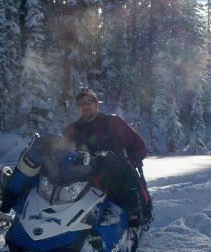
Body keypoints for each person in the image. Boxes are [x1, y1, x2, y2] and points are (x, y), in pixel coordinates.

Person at [63, 87, 153, 227]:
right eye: (81, 103)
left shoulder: (113, 123)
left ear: (96, 103)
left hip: (114, 178)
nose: (85, 106)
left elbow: (139, 146)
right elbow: (63, 154)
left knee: (114, 163)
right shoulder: (71, 130)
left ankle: (131, 213)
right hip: (82, 180)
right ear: (78, 108)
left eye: (89, 102)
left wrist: (129, 162)